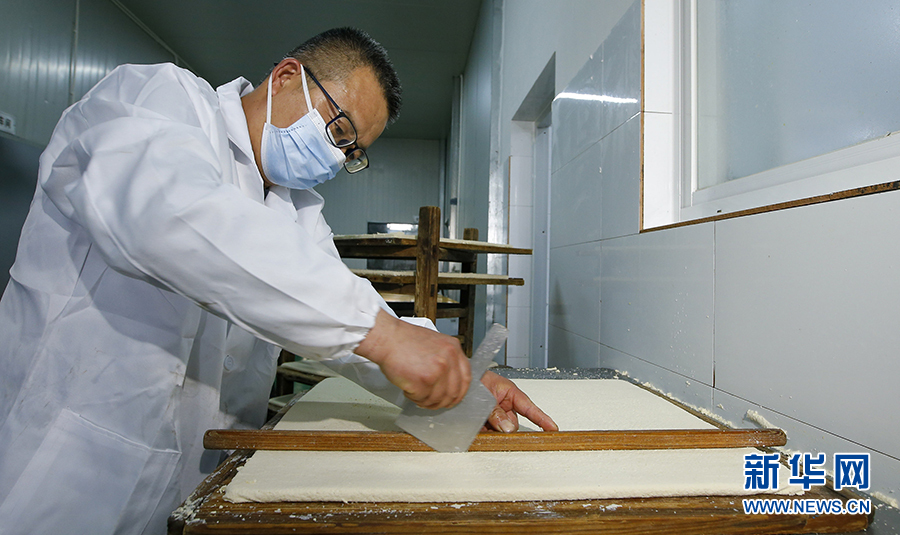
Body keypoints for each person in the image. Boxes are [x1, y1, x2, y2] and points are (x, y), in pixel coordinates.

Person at [0, 27, 557, 534]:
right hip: (66, 462)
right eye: (339, 130)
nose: (337, 158)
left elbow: (345, 317)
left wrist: (458, 386)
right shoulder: (158, 99)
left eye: (352, 152)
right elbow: (167, 214)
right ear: (287, 76)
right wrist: (385, 337)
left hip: (194, 477)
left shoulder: (296, 210)